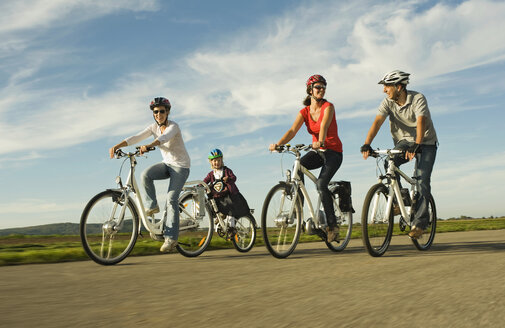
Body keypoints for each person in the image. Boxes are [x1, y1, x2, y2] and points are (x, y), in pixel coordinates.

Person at [360, 70, 438, 239]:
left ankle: (420, 224)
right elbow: (377, 122)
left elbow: (421, 122)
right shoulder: (387, 102)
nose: (384, 90)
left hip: (425, 142)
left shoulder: (418, 98)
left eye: (387, 86)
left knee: (421, 179)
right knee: (390, 163)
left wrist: (417, 145)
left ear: (399, 86)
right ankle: (402, 199)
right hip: (404, 142)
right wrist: (367, 143)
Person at [109, 97, 191, 252]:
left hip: (181, 167)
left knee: (171, 198)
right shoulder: (153, 127)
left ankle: (171, 238)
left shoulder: (174, 126)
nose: (158, 114)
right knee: (146, 175)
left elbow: (163, 138)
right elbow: (136, 137)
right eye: (155, 112)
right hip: (167, 164)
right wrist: (117, 146)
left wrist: (149, 145)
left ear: (167, 112)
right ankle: (152, 207)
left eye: (161, 111)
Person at [269, 74, 343, 242]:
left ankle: (333, 226)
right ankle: (299, 204)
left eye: (324, 87)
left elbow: (323, 125)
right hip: (318, 152)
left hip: (333, 152)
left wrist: (321, 141)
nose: (321, 90)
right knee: (300, 165)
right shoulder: (304, 112)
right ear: (310, 90)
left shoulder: (328, 107)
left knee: (321, 184)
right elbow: (292, 131)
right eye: (318, 87)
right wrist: (279, 145)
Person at [203, 149, 251, 233]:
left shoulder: (226, 171)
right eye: (214, 161)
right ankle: (220, 216)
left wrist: (228, 178)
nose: (216, 162)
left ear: (222, 160)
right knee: (213, 206)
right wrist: (200, 185)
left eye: (218, 160)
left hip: (228, 195)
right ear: (211, 162)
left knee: (230, 211)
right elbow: (205, 181)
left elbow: (234, 178)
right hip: (217, 196)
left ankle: (232, 228)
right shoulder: (211, 174)